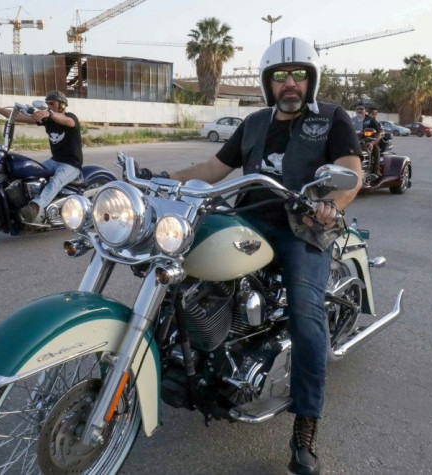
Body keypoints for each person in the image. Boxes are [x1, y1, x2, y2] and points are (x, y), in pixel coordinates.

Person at [142, 37, 362, 475]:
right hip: (248, 220)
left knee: (306, 313)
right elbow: (213, 169)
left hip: (304, 229)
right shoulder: (256, 121)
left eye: (299, 74)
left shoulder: (332, 118)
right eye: (280, 77)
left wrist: (333, 204)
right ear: (267, 83)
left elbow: (351, 170)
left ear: (311, 79)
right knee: (178, 269)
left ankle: (305, 424)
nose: (290, 83)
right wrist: (162, 180)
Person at [0, 90, 83, 224]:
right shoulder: (47, 120)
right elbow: (17, 117)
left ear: (62, 106)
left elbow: (68, 121)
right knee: (31, 171)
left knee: (56, 181)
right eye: (47, 104)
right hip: (55, 160)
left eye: (52, 103)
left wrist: (50, 113)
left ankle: (35, 207)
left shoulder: (70, 117)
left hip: (71, 164)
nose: (49, 106)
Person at [352, 103, 383, 180]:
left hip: (368, 140)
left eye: (361, 109)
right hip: (355, 140)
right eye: (358, 109)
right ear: (355, 110)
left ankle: (375, 170)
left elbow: (379, 134)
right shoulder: (352, 120)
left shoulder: (370, 120)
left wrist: (372, 143)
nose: (359, 110)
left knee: (375, 148)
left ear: (365, 110)